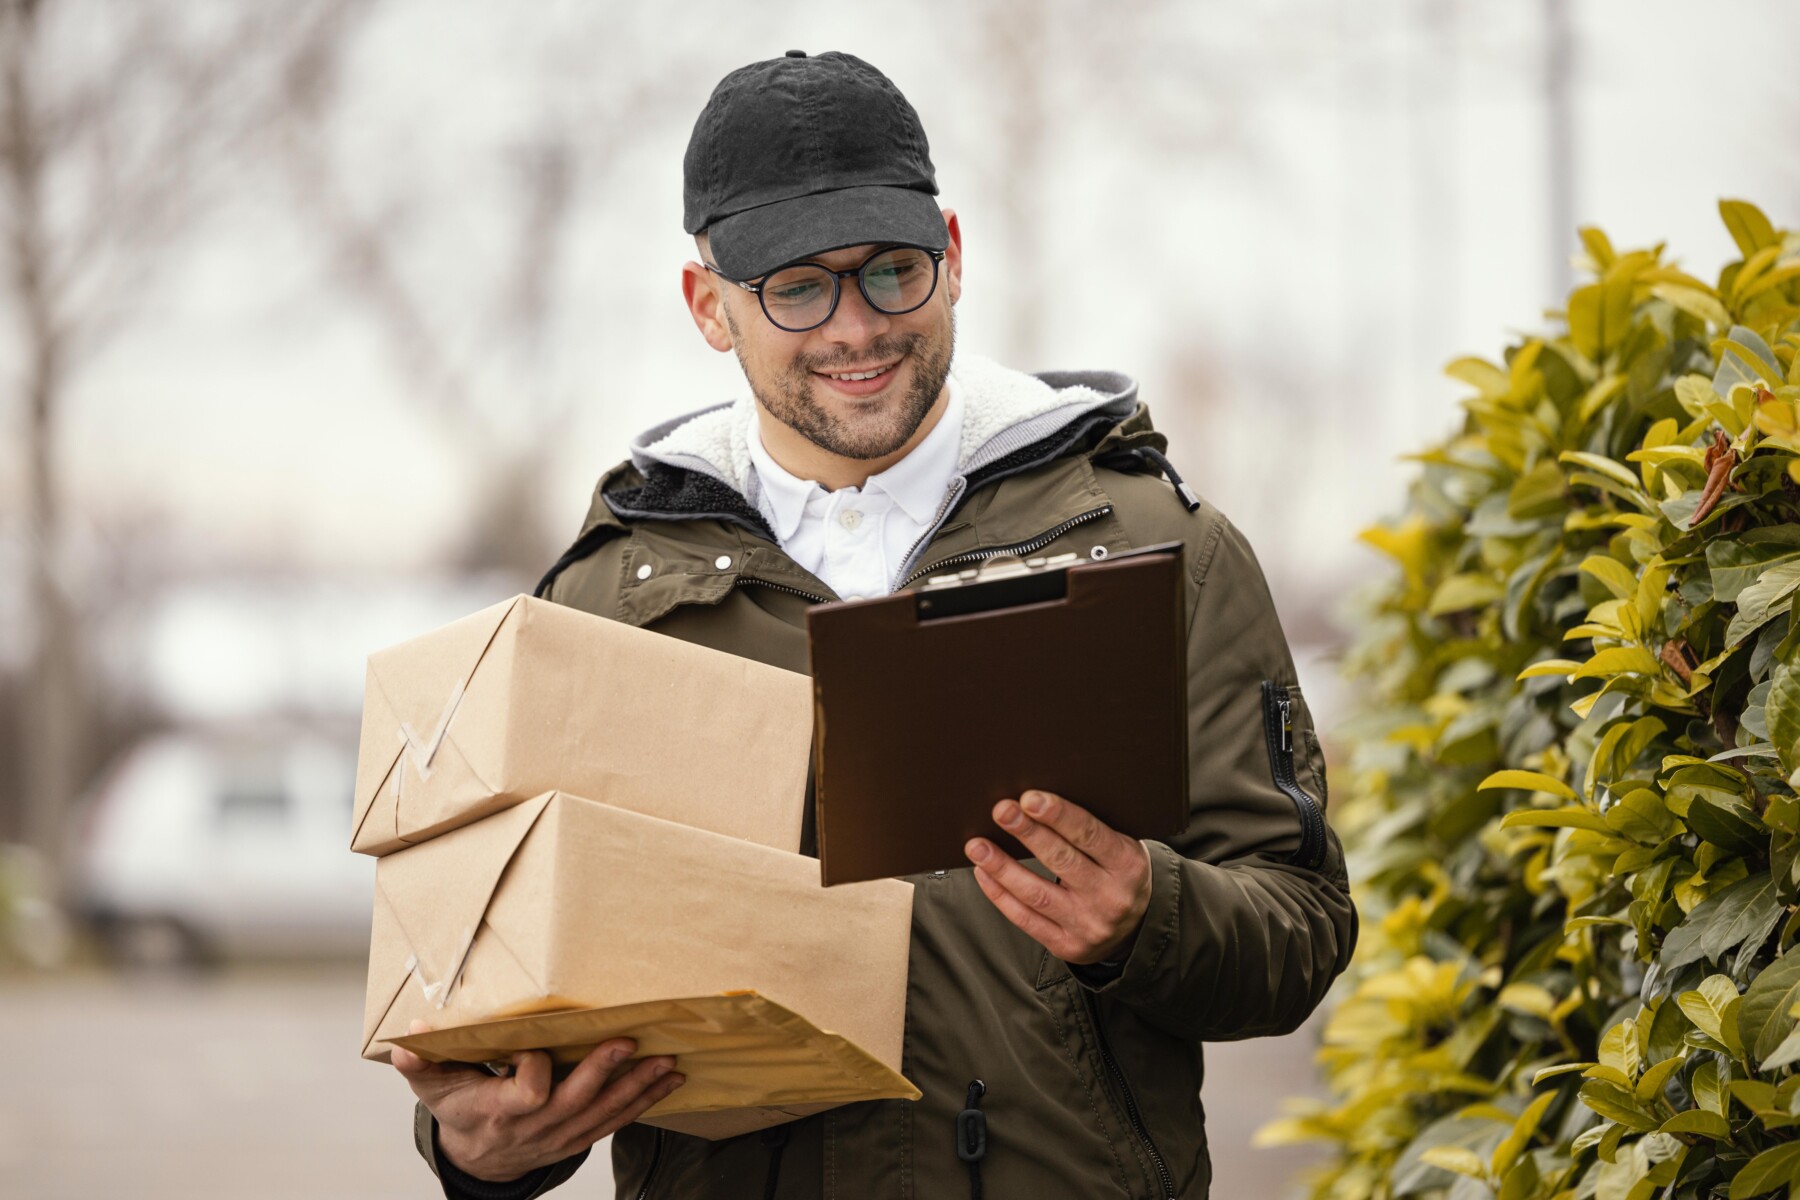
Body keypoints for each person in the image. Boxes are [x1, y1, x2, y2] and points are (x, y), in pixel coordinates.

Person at [391, 49, 1357, 1200]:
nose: (856, 327)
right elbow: (514, 1002)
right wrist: (477, 1154)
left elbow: (1297, 928)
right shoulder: (601, 607)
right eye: (798, 287)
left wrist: (1145, 916)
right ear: (710, 306)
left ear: (953, 258)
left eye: (892, 271)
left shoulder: (1163, 551)